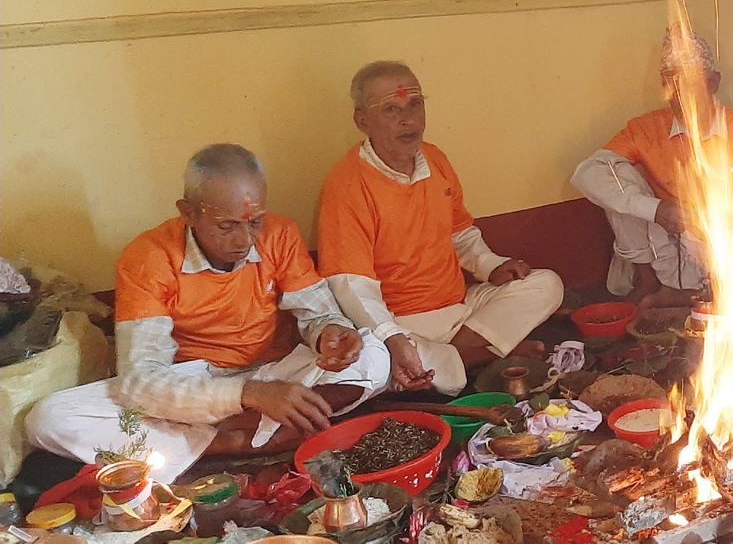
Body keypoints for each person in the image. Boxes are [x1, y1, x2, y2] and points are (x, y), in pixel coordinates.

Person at [26, 144, 391, 483]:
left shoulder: (280, 234)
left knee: (375, 355)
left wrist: (329, 333)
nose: (245, 240)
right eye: (227, 225)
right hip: (194, 385)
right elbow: (140, 381)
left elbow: (317, 314)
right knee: (47, 419)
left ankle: (213, 437)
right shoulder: (148, 257)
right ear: (188, 213)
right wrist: (249, 394)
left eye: (254, 222)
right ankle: (235, 442)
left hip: (277, 370)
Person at [318, 61, 564, 396]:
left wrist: (491, 266)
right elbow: (351, 286)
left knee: (546, 285)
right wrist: (392, 337)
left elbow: (459, 232)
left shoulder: (435, 159)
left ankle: (454, 361)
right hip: (403, 323)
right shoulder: (347, 183)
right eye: (391, 109)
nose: (409, 120)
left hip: (462, 308)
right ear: (362, 121)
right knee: (371, 363)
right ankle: (486, 354)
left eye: (415, 105)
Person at [572, 27, 733, 310]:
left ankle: (695, 293)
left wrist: (719, 217)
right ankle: (649, 283)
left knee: (712, 220)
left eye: (691, 85)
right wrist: (655, 209)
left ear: (713, 82)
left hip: (719, 243)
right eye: (672, 87)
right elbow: (586, 173)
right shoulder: (646, 128)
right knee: (614, 178)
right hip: (663, 239)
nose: (681, 97)